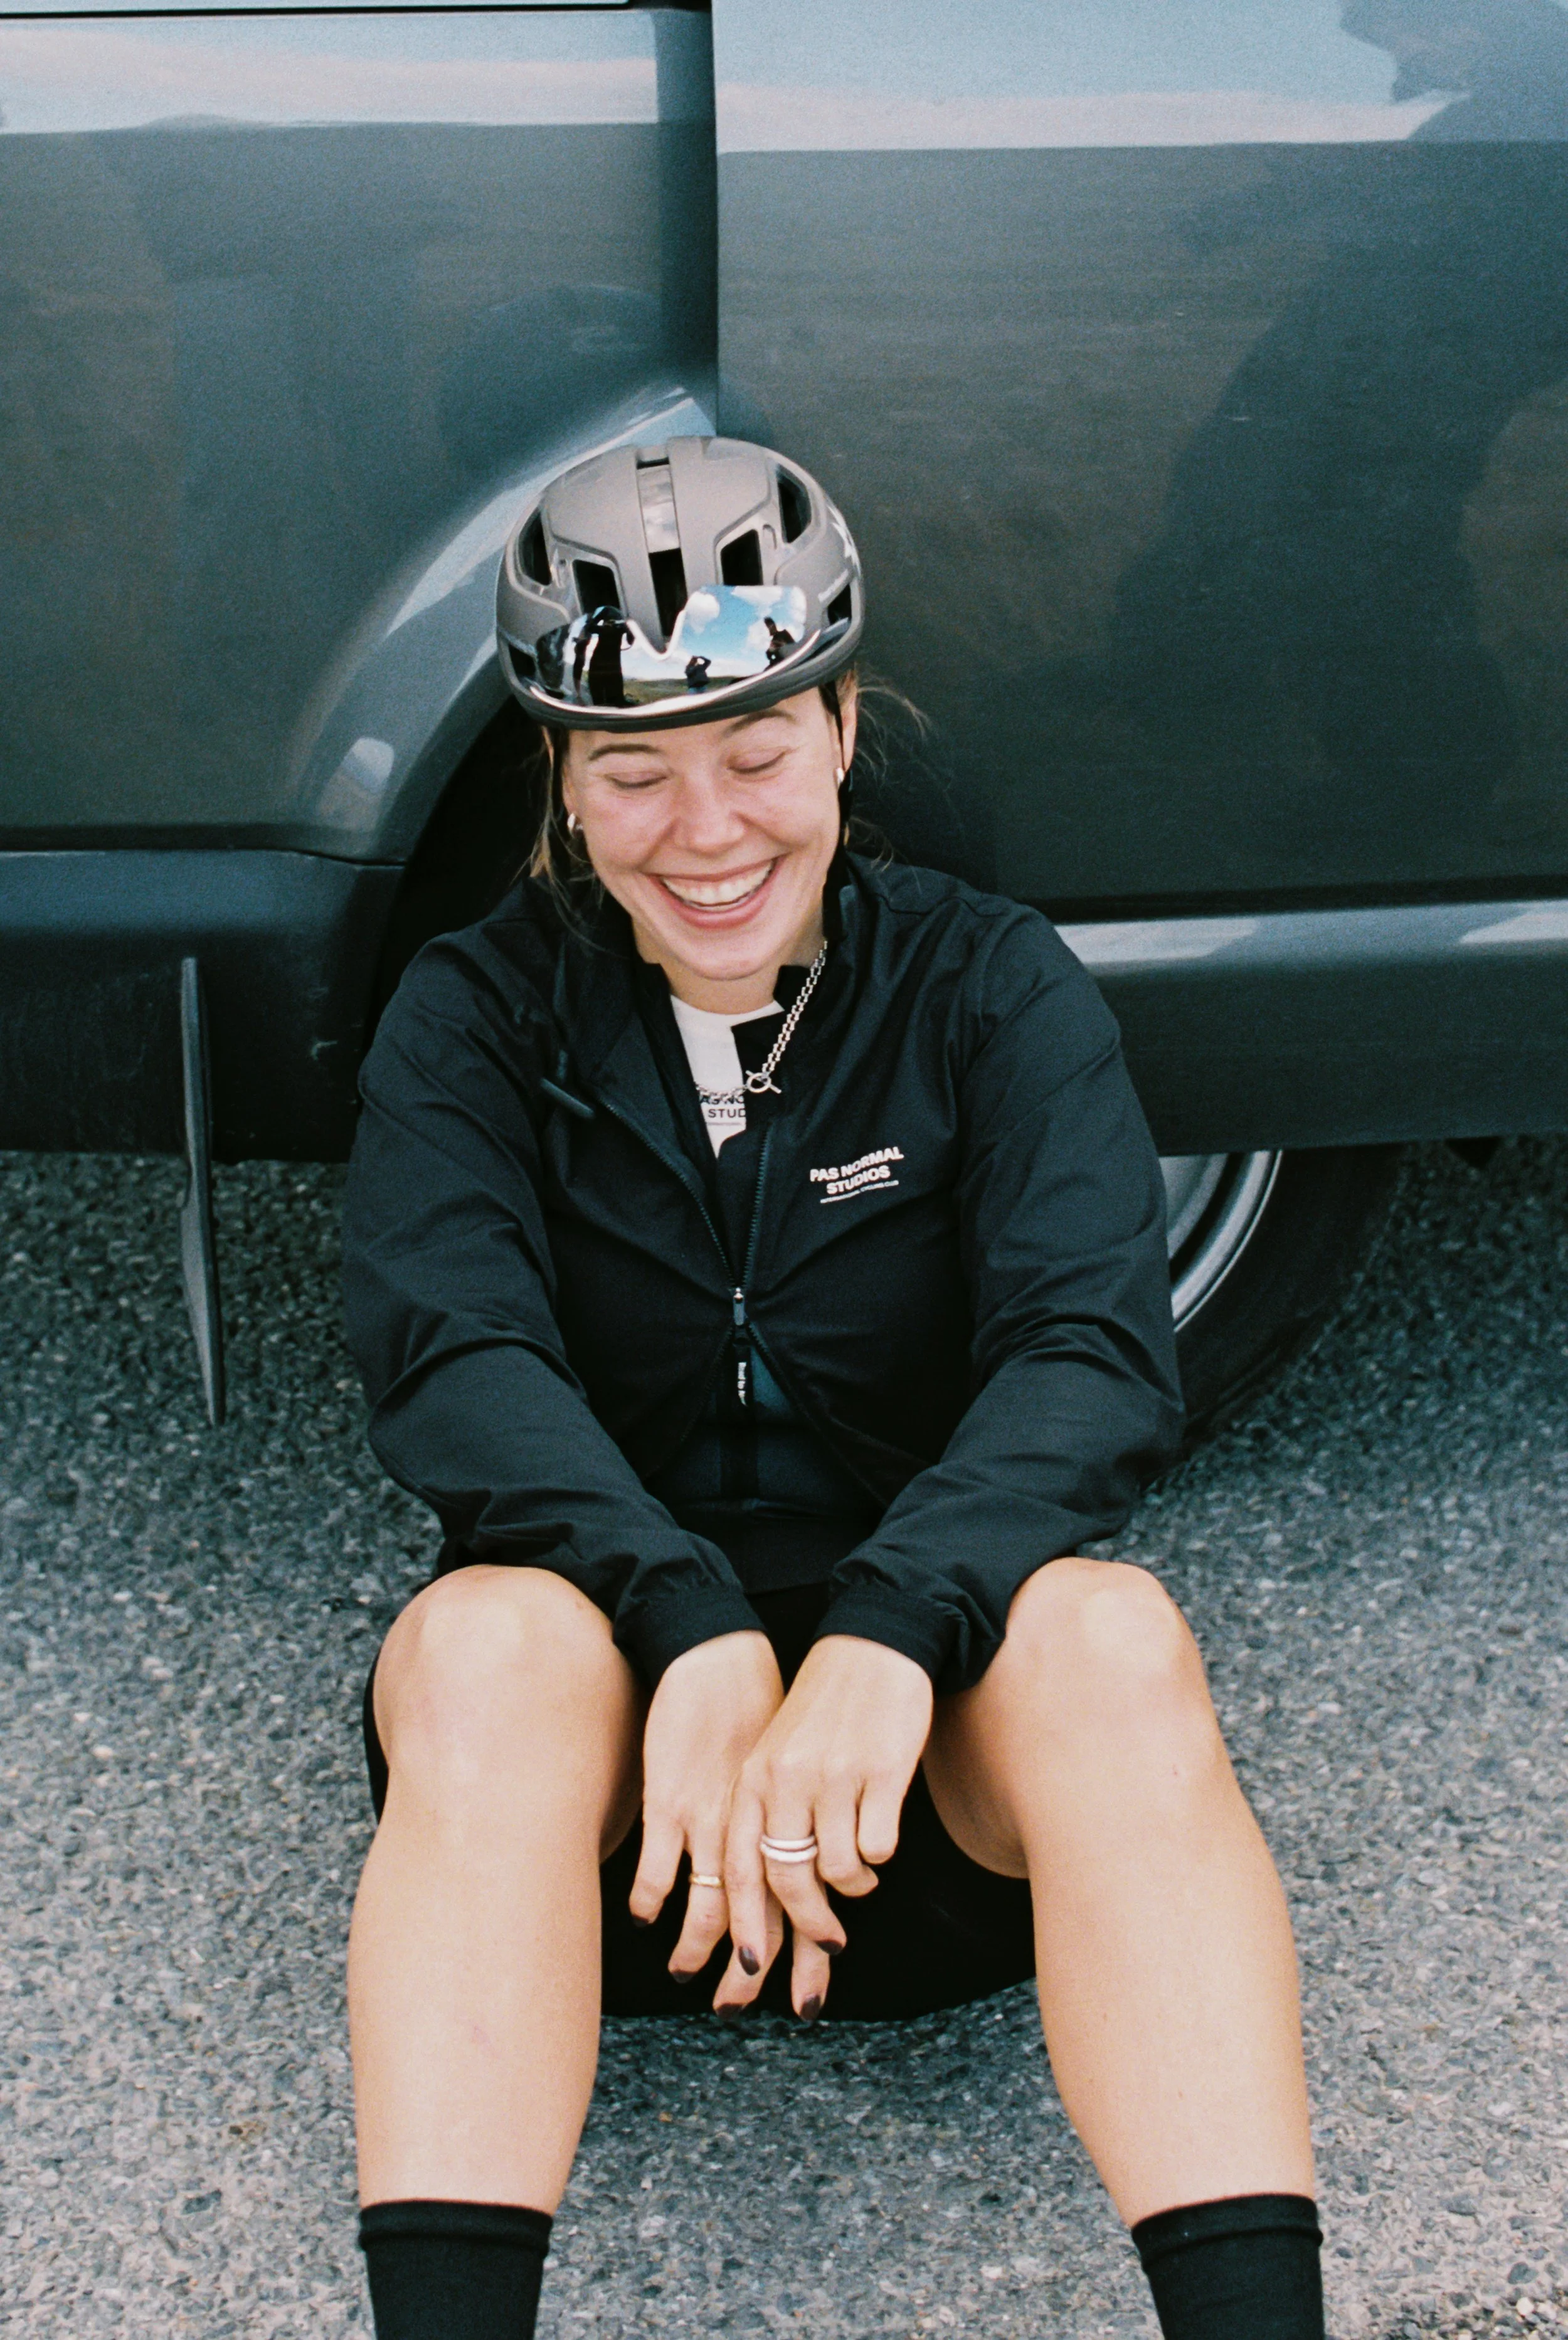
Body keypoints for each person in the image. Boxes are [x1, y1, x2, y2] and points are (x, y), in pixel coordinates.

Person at [341, 436, 1327, 2340]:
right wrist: (688, 1623)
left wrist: (886, 1630)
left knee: (1112, 1640)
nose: (703, 831)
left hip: (928, 1795)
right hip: (616, 1817)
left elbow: (1089, 1352)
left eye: (757, 756)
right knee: (479, 1647)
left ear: (845, 730)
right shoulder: (467, 1013)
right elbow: (451, 1357)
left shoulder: (986, 988)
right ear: (557, 779)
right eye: (631, 773)